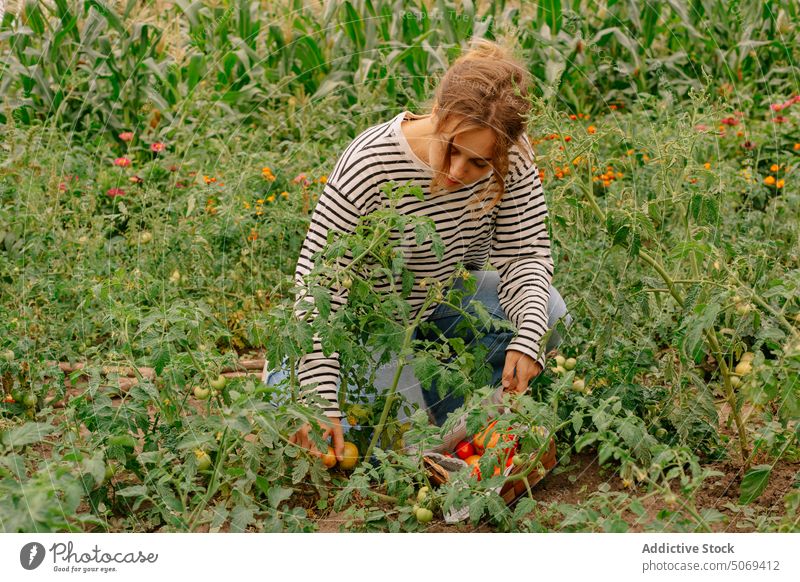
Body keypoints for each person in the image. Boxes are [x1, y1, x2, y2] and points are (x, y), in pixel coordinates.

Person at [264, 38, 572, 463]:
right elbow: (319, 282)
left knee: (549, 316)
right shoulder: (371, 162)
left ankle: (470, 413)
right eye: (451, 148)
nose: (456, 172)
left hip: (436, 310)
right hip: (361, 331)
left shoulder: (513, 157)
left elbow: (525, 256)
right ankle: (295, 381)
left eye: (480, 164)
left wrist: (527, 339)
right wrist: (319, 392)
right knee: (384, 449)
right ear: (438, 115)